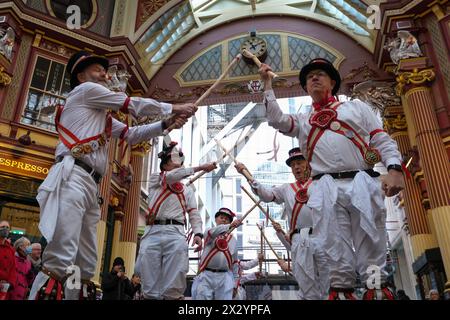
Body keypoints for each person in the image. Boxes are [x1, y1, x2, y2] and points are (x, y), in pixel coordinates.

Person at [29, 51, 197, 300]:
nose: (105, 74)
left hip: (89, 183)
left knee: (85, 259)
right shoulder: (85, 90)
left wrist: (166, 124)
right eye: (98, 69)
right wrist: (173, 107)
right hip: (72, 175)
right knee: (61, 252)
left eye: (104, 70)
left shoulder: (100, 116)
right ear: (81, 75)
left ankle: (75, 295)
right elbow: (130, 104)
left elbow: (131, 134)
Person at [259, 58, 404, 300]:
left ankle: (377, 292)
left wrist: (395, 170)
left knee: (372, 246)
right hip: (325, 188)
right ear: (305, 88)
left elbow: (381, 140)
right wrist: (266, 85)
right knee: (335, 250)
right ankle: (341, 293)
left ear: (333, 82)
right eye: (309, 77)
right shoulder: (303, 119)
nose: (314, 78)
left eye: (320, 74)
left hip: (362, 181)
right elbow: (276, 120)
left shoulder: (356, 107)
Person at [235, 149, 330, 300]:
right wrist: (247, 176)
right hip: (300, 239)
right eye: (293, 165)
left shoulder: (320, 183)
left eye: (299, 163)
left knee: (328, 280)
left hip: (322, 236)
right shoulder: (286, 189)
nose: (296, 167)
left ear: (308, 164)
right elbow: (267, 195)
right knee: (305, 282)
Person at [135, 141, 216, 300]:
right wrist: (200, 168)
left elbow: (193, 214)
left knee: (176, 276)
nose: (178, 166)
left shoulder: (187, 191)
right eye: (173, 162)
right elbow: (172, 177)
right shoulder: (156, 179)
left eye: (180, 164)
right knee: (148, 278)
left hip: (176, 233)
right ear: (164, 165)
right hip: (153, 231)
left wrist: (198, 234)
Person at [191, 208, 242, 300]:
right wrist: (229, 226)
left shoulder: (233, 241)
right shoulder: (209, 232)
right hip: (206, 275)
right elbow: (212, 232)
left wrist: (235, 285)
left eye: (227, 219)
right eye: (221, 217)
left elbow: (235, 265)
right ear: (215, 219)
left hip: (224, 277)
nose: (224, 220)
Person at [0, 220, 16, 300]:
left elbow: (13, 268)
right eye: (2, 227)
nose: (5, 229)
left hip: (4, 289)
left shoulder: (11, 249)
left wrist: (10, 283)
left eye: (7, 227)